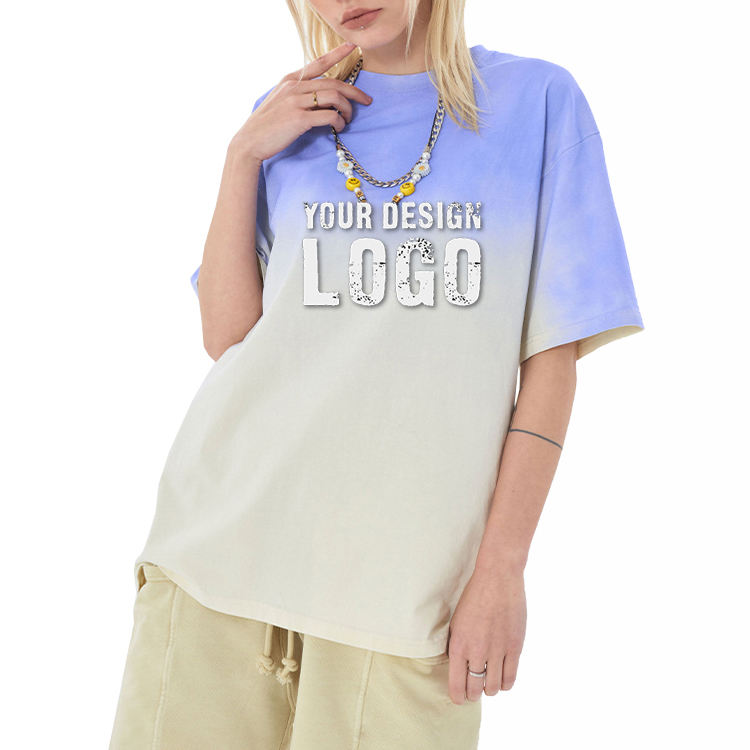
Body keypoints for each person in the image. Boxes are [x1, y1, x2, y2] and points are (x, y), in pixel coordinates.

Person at [108, 0, 645, 747]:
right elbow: (228, 335)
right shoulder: (288, 115)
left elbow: (550, 365)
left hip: (406, 588)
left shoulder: (539, 103)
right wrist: (242, 156)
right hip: (220, 553)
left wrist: (502, 568)